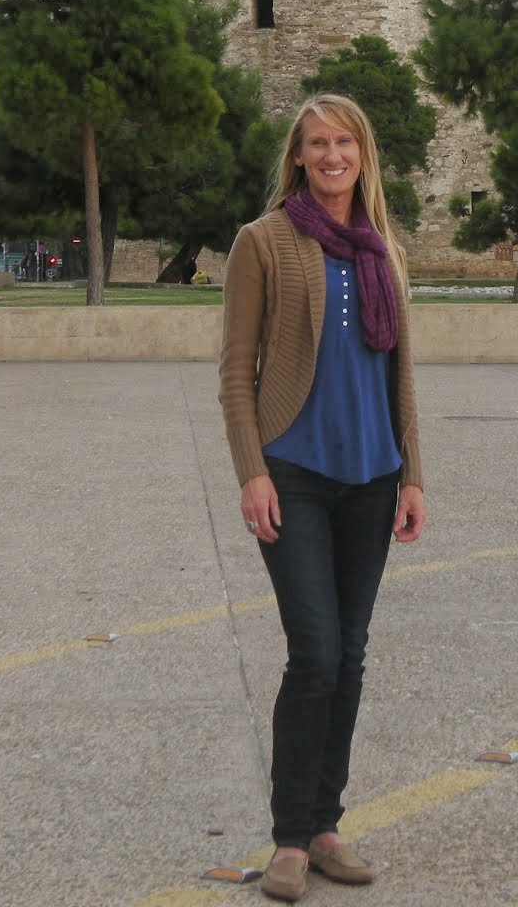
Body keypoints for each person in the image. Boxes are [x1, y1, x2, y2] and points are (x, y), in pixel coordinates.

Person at [219, 94, 424, 902]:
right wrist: (251, 471)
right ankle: (290, 840)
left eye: (344, 142)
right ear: (297, 158)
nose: (332, 155)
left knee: (351, 652)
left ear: (363, 154)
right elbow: (236, 372)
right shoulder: (262, 242)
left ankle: (329, 824)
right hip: (294, 473)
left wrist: (412, 476)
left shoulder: (383, 250)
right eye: (316, 144)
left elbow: (400, 377)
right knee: (315, 655)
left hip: (373, 478)